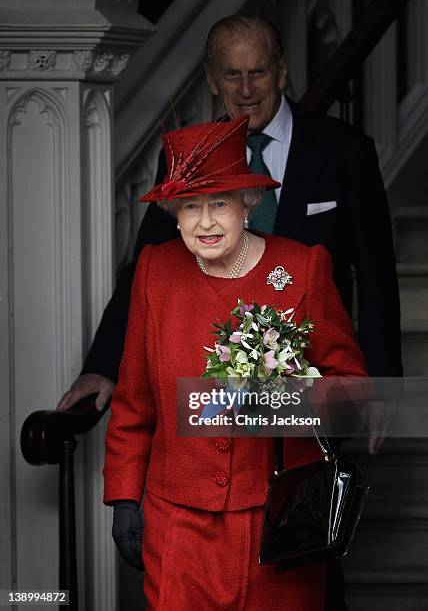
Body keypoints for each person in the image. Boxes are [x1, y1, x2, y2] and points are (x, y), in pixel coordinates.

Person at [57, 15, 401, 415]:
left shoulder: (346, 150)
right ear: (211, 79)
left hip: (314, 380)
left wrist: (383, 385)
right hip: (214, 384)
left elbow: (376, 276)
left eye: (257, 72)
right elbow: (148, 267)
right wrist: (101, 366)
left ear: (281, 71)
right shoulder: (187, 157)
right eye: (232, 74)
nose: (246, 89)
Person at [103, 115, 368, 610]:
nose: (205, 222)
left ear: (248, 204)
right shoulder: (154, 272)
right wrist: (122, 496)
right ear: (173, 213)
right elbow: (134, 400)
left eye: (219, 204)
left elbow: (352, 395)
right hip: (178, 526)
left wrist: (275, 398)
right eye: (190, 207)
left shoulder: (302, 268)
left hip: (280, 525)